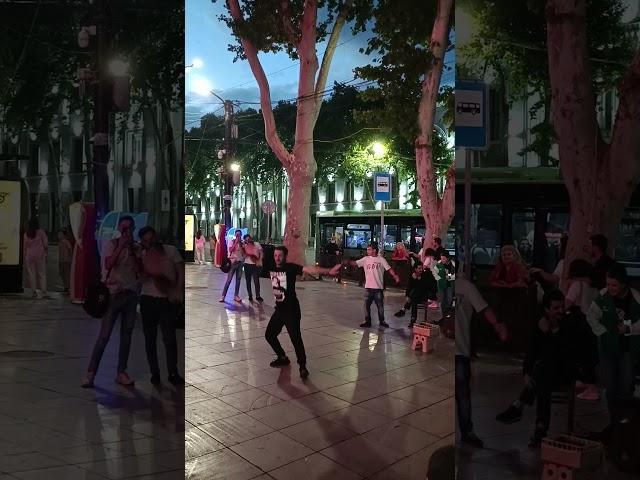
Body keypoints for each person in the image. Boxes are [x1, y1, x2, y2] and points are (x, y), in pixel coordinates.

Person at [496, 290, 582, 448]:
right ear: (547, 309)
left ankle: (520, 407)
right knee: (543, 379)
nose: (561, 311)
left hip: (565, 371)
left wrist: (551, 333)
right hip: (545, 374)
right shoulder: (539, 324)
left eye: (562, 307)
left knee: (544, 369)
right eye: (556, 308)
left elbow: (565, 353)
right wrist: (527, 373)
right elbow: (532, 351)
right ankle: (539, 430)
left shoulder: (570, 323)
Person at [265, 246, 341, 379]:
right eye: (275, 255)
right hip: (279, 310)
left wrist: (329, 271)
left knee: (296, 339)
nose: (277, 258)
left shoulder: (290, 268)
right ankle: (282, 357)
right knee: (270, 335)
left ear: (285, 256)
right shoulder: (271, 266)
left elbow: (309, 269)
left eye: (280, 256)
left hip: (292, 311)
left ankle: (302, 366)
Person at [82, 215, 140, 388]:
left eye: (130, 228)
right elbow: (108, 264)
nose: (127, 232)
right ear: (119, 229)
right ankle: (91, 373)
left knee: (127, 335)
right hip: (113, 295)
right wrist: (121, 245)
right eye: (124, 228)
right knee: (104, 336)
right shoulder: (111, 244)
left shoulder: (135, 248)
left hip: (130, 295)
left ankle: (121, 372)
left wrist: (130, 249)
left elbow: (138, 269)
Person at [456, 268, 508, 448]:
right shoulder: (458, 285)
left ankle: (466, 431)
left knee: (462, 393)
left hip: (459, 349)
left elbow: (484, 309)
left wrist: (498, 326)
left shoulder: (465, 287)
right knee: (461, 393)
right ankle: (465, 431)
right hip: (455, 348)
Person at [586, 263, 640, 434]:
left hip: (628, 349)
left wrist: (629, 329)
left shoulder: (636, 298)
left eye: (614, 285)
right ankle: (614, 422)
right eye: (608, 284)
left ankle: (625, 424)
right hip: (608, 348)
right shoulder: (602, 297)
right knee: (610, 386)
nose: (611, 288)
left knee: (625, 385)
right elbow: (591, 316)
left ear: (623, 283)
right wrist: (602, 333)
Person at [138, 226, 185, 386]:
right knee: (150, 338)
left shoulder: (170, 251)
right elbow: (139, 278)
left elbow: (180, 271)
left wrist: (178, 290)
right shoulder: (141, 255)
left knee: (169, 338)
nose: (149, 243)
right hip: (148, 299)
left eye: (151, 239)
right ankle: (155, 373)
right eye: (145, 240)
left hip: (167, 299)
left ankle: (173, 372)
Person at [343, 244, 400, 328]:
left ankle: (382, 321)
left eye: (369, 249)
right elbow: (356, 263)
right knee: (366, 305)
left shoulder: (381, 259)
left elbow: (388, 268)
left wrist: (395, 276)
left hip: (378, 287)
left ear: (374, 250)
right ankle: (367, 321)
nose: (367, 251)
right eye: (367, 249)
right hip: (368, 287)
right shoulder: (365, 259)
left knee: (380, 306)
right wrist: (348, 262)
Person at [394, 262, 437, 327]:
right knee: (414, 300)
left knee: (415, 293)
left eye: (421, 268)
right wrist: (407, 295)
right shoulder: (412, 275)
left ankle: (405, 311)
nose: (421, 270)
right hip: (415, 296)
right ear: (415, 269)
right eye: (419, 268)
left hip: (424, 295)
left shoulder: (425, 275)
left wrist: (417, 279)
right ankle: (412, 320)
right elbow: (409, 287)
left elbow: (424, 287)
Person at [23, 217, 49, 299]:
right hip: (40, 255)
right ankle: (43, 291)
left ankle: (33, 291)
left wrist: (25, 256)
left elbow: (25, 247)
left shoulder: (26, 233)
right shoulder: (41, 232)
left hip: (29, 256)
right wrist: (46, 252)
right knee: (42, 273)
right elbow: (46, 244)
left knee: (31, 274)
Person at [220, 229, 245, 303]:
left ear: (241, 235)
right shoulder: (232, 241)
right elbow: (230, 250)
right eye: (237, 235)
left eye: (239, 235)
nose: (238, 236)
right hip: (233, 263)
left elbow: (244, 253)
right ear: (235, 235)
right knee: (229, 280)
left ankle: (236, 295)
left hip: (240, 263)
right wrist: (236, 242)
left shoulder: (242, 243)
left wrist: (240, 245)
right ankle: (223, 296)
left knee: (238, 280)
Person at [243, 234, 263, 303]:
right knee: (248, 281)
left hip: (255, 265)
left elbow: (261, 252)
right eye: (246, 240)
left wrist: (260, 260)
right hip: (247, 265)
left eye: (248, 239)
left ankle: (258, 295)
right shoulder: (244, 245)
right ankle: (250, 295)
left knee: (256, 281)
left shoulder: (257, 244)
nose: (248, 241)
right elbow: (244, 256)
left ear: (251, 238)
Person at [57, 228, 73, 294]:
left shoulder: (66, 242)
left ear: (64, 235)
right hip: (61, 260)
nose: (58, 235)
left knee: (66, 274)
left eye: (60, 234)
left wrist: (70, 257)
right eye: (58, 234)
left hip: (66, 260)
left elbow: (70, 250)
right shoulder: (60, 242)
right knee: (62, 274)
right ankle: (65, 286)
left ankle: (68, 287)